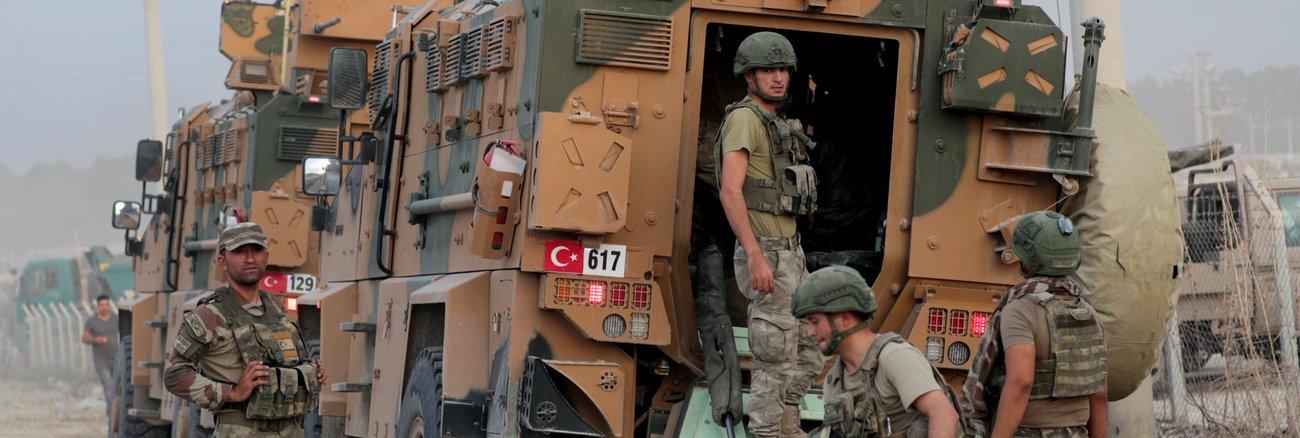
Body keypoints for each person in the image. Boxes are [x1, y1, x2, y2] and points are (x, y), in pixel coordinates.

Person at [717, 30, 822, 438]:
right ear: (748, 76)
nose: (777, 77)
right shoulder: (745, 119)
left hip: (791, 253)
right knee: (774, 357)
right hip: (768, 253)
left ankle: (789, 425)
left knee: (809, 348)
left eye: (782, 69)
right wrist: (755, 254)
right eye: (767, 70)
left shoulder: (773, 120)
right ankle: (765, 432)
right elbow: (730, 190)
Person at [163, 222, 325, 437]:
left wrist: (309, 373)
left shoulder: (274, 306)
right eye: (239, 252)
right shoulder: (210, 314)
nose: (250, 258)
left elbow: (279, 364)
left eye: (256, 250)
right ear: (222, 261)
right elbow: (175, 375)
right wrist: (233, 393)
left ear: (266, 256)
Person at [962, 211, 1108, 438]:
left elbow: (1021, 382)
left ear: (1028, 260)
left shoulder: (1020, 310)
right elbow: (1099, 395)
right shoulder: (1088, 313)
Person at [793, 266, 961, 437]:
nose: (810, 332)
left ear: (843, 318)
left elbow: (944, 415)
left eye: (815, 321)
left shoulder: (895, 357)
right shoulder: (835, 380)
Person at [82, 294, 119, 409]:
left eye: (106, 305)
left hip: (116, 357)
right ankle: (111, 411)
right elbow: (84, 338)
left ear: (109, 305)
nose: (104, 307)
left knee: (117, 385)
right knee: (108, 384)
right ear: (98, 306)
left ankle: (115, 410)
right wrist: (95, 340)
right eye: (102, 305)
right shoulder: (92, 321)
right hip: (100, 360)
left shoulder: (116, 319)